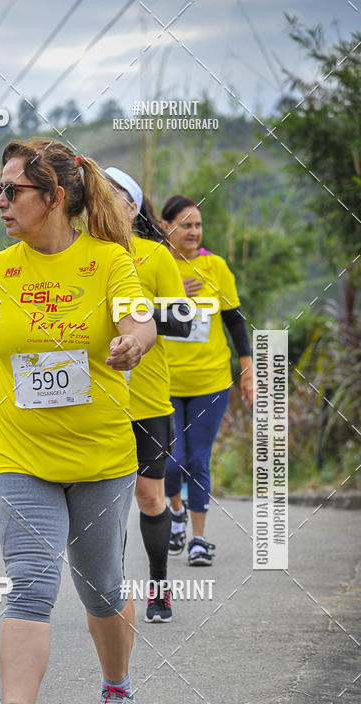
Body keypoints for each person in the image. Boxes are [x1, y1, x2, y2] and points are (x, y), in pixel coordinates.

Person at [0, 138, 155, 704]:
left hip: (101, 456)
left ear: (52, 197)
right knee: (29, 584)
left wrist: (134, 341)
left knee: (100, 585)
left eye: (11, 190)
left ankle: (118, 691)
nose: (0, 202)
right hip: (23, 454)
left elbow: (140, 319)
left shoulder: (108, 261)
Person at [104, 167, 191, 624]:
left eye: (112, 194)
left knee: (150, 497)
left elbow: (182, 320)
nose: (100, 200)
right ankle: (111, 594)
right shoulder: (82, 256)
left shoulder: (156, 256)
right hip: (97, 399)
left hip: (147, 397)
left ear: (132, 206)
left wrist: (133, 314)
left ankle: (159, 587)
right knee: (105, 503)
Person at [160, 194, 254, 565]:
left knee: (198, 460)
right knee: (171, 463)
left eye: (198, 225)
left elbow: (234, 319)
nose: (194, 231)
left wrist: (246, 369)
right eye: (186, 224)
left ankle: (198, 539)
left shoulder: (216, 266)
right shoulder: (154, 264)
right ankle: (176, 512)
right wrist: (172, 296)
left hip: (210, 382)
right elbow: (135, 311)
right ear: (166, 227)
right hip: (165, 382)